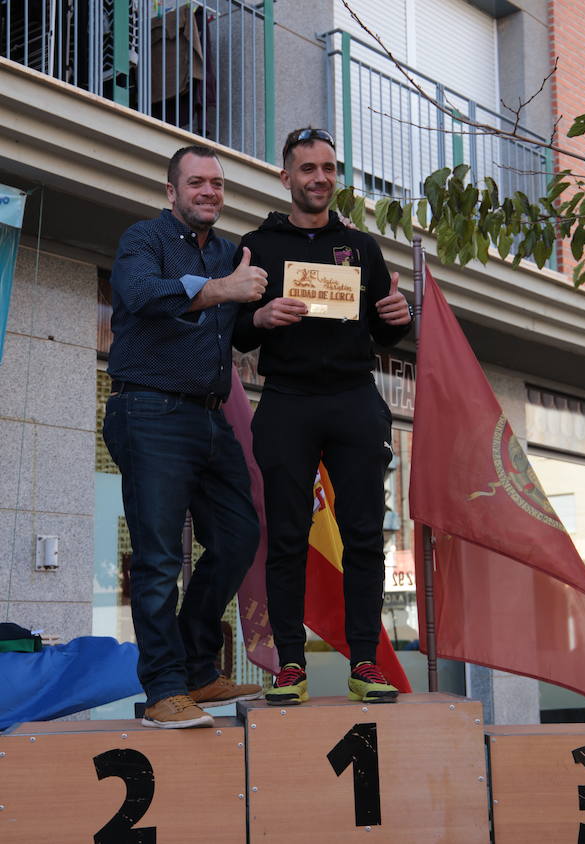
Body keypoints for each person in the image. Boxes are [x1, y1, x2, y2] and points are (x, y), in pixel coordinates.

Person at [234, 128, 413, 705]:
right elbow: (234, 334)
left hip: (354, 399)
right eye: (308, 169)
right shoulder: (256, 245)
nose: (320, 178)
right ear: (285, 177)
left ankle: (366, 661)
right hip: (286, 401)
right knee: (285, 537)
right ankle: (289, 666)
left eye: (329, 168)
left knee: (366, 537)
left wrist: (400, 314)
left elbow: (388, 328)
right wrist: (259, 320)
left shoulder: (361, 247)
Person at [103, 144, 268, 728]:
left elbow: (241, 322)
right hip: (147, 409)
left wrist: (261, 316)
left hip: (209, 414)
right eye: (196, 183)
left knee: (237, 537)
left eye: (217, 185)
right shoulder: (143, 239)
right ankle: (162, 691)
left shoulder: (230, 251)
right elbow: (142, 296)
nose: (208, 192)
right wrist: (225, 290)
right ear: (171, 192)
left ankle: (198, 670)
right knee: (158, 556)